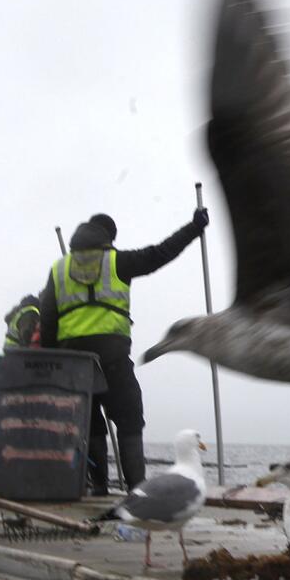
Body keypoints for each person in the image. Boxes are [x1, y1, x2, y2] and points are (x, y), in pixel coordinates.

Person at [38, 208, 209, 494]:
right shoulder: (117, 261)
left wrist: (53, 364)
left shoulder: (58, 270)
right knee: (130, 419)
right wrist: (194, 228)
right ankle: (136, 490)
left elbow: (47, 321)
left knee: (89, 423)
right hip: (113, 357)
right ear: (109, 237)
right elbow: (160, 254)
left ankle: (99, 487)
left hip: (74, 363)